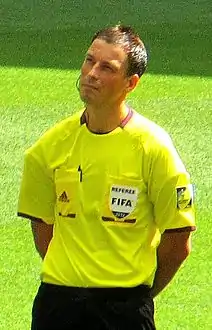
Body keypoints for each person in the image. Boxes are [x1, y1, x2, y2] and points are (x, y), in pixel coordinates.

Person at [17, 25, 196, 330]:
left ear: (131, 83)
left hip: (123, 310)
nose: (92, 73)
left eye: (107, 67)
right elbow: (42, 228)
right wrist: (74, 276)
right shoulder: (48, 148)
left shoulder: (153, 148)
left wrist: (140, 292)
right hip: (57, 305)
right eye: (89, 60)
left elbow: (178, 240)